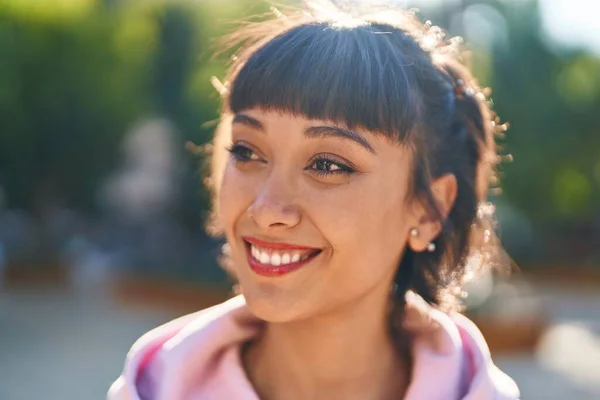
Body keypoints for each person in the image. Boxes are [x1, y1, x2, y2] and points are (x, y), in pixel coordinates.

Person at [109, 2, 520, 399]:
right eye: (247, 152)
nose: (266, 209)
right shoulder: (153, 387)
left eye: (327, 164)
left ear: (430, 210)